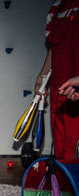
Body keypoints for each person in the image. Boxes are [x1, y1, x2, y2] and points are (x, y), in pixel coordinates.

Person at [34, 0, 79, 160]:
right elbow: (56, 47)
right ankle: (61, 180)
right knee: (60, 146)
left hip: (76, 87)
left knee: (74, 148)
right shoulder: (58, 8)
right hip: (59, 85)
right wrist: (42, 75)